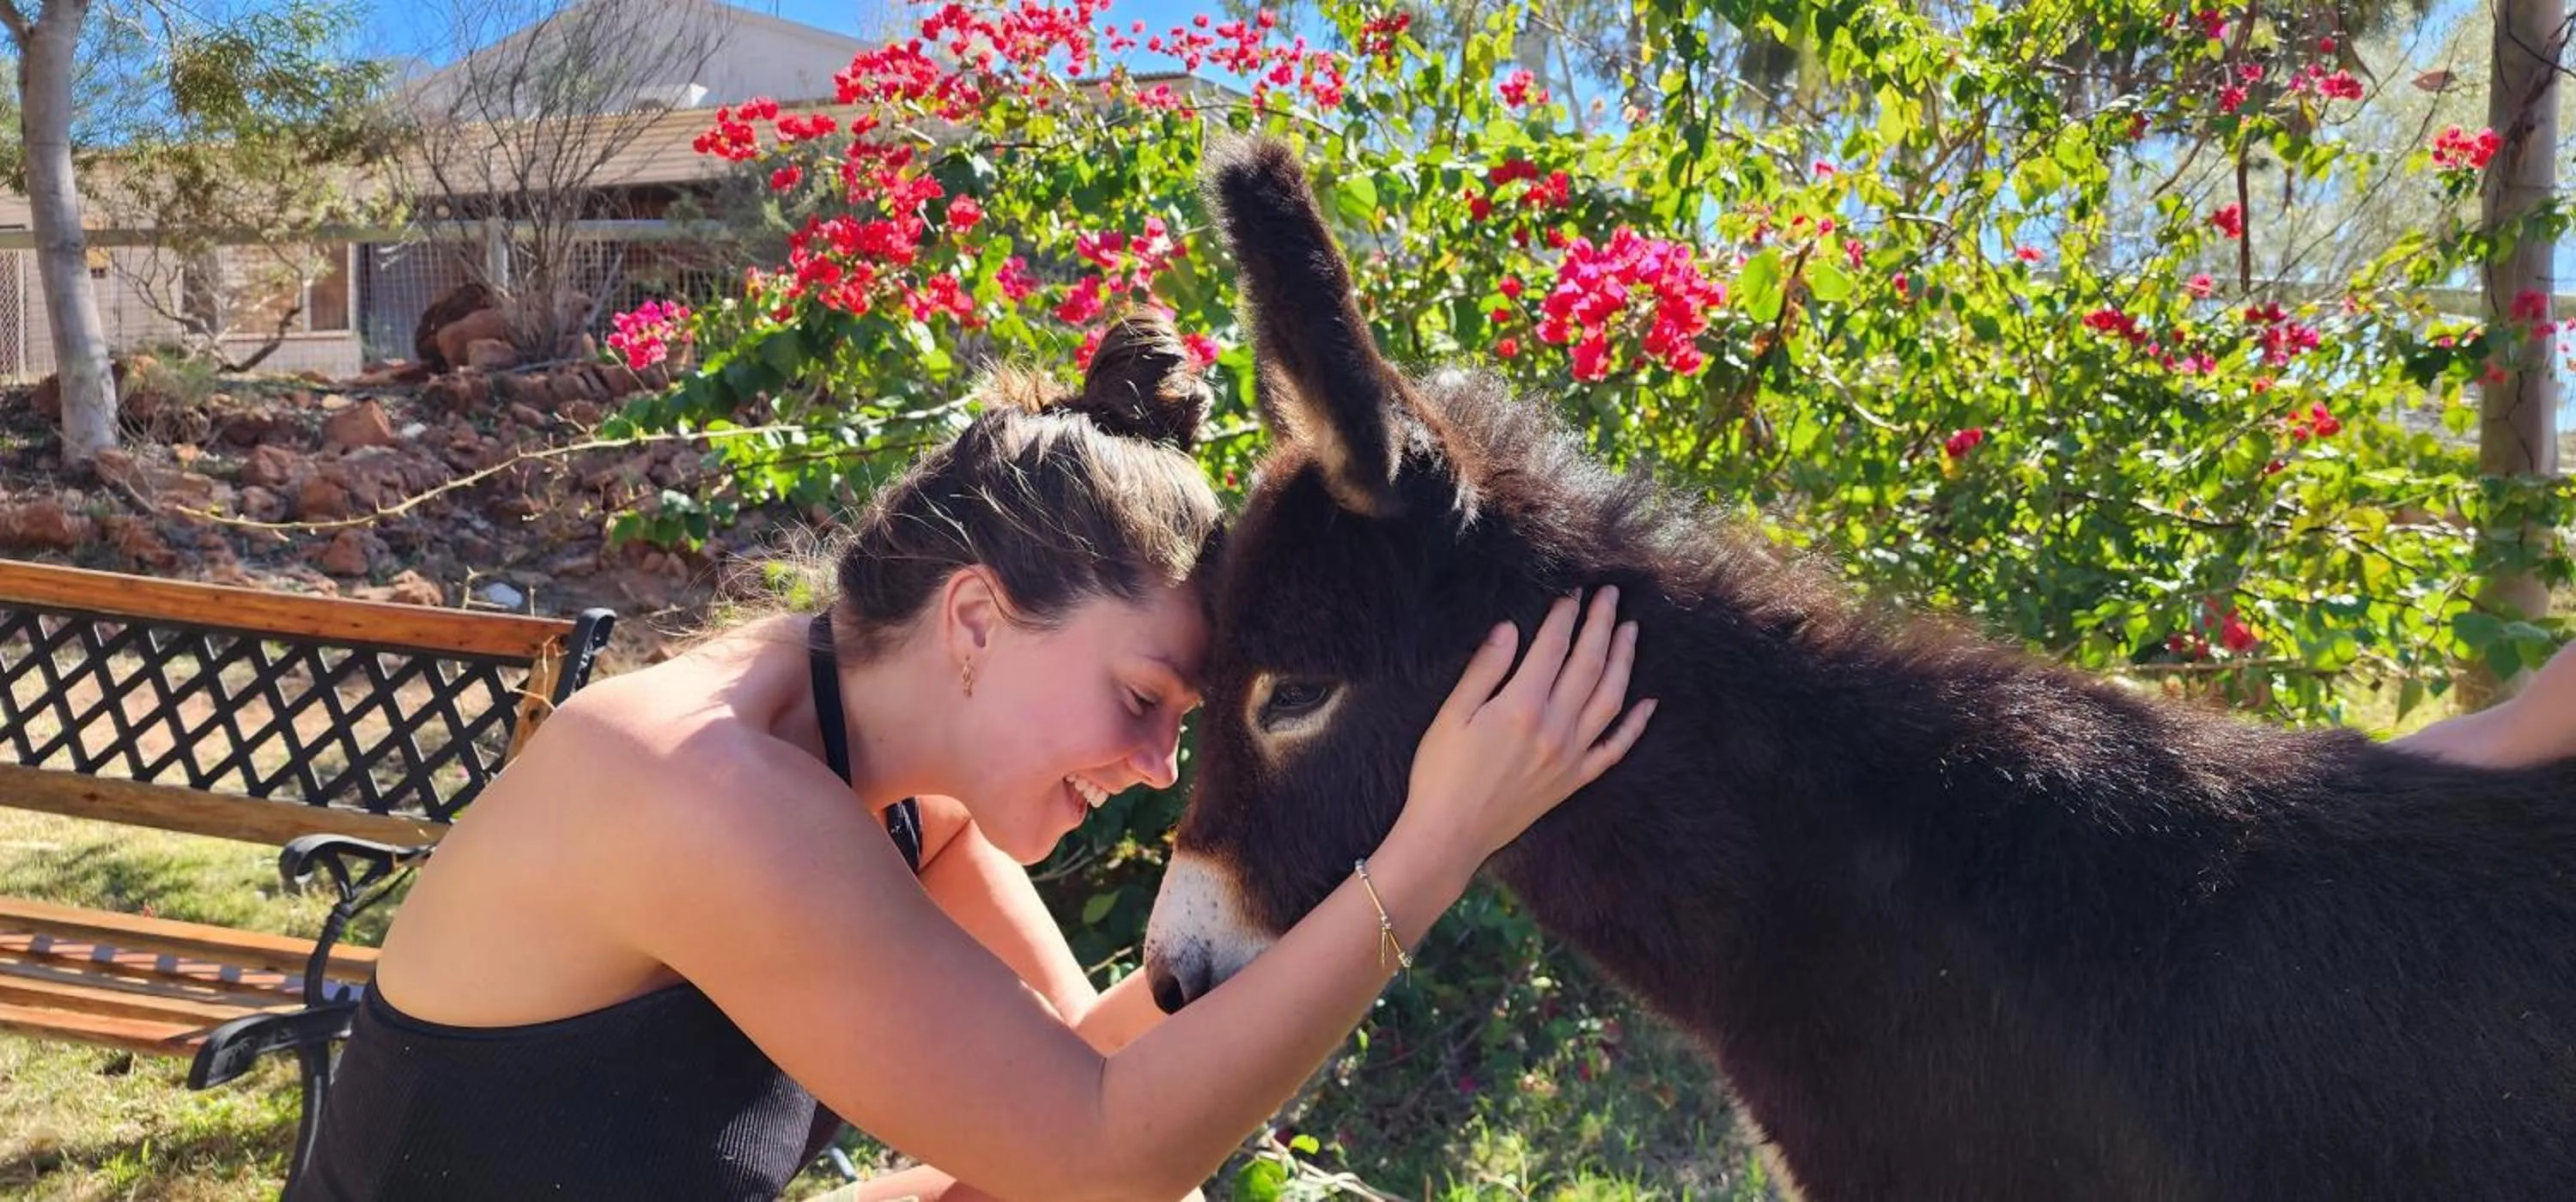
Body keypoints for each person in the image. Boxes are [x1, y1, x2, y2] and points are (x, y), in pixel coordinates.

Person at [287, 313, 1657, 1202]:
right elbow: (1104, 1151)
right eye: (1140, 697)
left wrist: (1286, 892)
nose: (1151, 763)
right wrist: (1430, 855)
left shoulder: (891, 793)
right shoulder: (706, 789)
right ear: (978, 619)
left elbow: (1068, 1073)